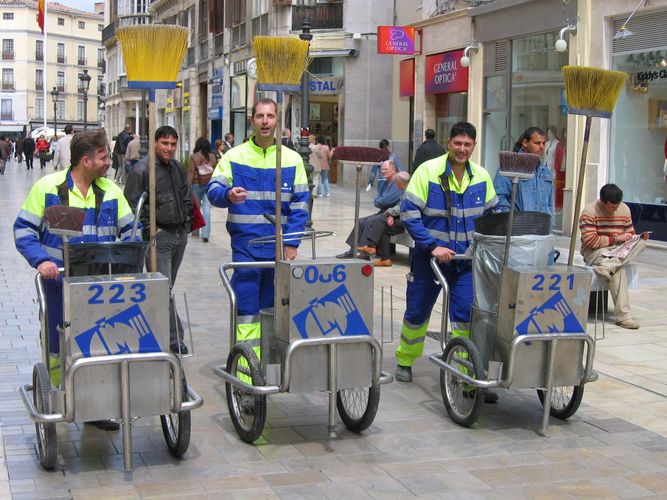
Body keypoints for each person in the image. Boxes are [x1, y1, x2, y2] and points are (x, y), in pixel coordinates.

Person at [13, 129, 140, 431]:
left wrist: (133, 249)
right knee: (58, 344)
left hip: (100, 286)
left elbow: (130, 232)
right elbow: (23, 231)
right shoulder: (49, 188)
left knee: (99, 344)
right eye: (104, 156)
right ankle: (57, 399)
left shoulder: (111, 191)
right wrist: (42, 261)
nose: (109, 161)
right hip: (59, 284)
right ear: (86, 160)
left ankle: (96, 406)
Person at [395, 122, 498, 391]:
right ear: (448, 142)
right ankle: (405, 360)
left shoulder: (482, 177)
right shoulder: (428, 172)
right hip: (429, 259)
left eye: (467, 145)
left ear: (474, 146)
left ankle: (464, 371)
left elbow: (491, 217)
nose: (462, 149)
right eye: (457, 143)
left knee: (465, 316)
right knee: (418, 310)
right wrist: (431, 246)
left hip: (465, 262)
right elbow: (409, 213)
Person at [207, 98, 309, 362]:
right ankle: (247, 370)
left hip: (278, 251)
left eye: (271, 116)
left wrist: (292, 243)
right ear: (252, 120)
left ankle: (270, 364)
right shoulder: (234, 156)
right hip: (246, 250)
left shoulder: (292, 159)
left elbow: (300, 205)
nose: (265, 121)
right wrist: (228, 194)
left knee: (273, 309)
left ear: (277, 121)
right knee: (247, 310)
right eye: (260, 116)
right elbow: (213, 191)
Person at [124, 126, 193, 354]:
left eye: (173, 144)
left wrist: (185, 227)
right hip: (159, 236)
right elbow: (133, 205)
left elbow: (185, 196)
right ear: (155, 142)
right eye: (165, 143)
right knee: (163, 288)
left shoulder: (176, 167)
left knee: (166, 286)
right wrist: (151, 233)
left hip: (178, 234)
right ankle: (174, 338)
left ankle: (157, 330)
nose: (169, 148)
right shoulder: (142, 170)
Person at [580, 183, 647, 330]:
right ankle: (624, 317)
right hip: (595, 252)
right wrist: (616, 238)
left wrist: (628, 239)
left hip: (617, 250)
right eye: (612, 207)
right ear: (603, 201)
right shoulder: (589, 212)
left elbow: (630, 233)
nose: (616, 209)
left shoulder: (624, 208)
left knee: (641, 242)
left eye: (617, 205)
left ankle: (608, 266)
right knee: (618, 270)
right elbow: (591, 241)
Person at [336, 168, 410, 267]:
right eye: (382, 169)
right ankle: (353, 250)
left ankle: (369, 248)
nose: (383, 171)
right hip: (393, 214)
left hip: (403, 218)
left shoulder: (407, 191)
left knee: (377, 220)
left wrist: (389, 213)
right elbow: (384, 201)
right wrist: (389, 213)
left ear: (400, 182)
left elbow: (389, 203)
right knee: (362, 221)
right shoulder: (387, 184)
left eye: (386, 169)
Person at [493, 127, 552, 216]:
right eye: (537, 143)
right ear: (525, 143)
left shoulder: (545, 172)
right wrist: (512, 222)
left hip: (541, 227)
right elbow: (499, 197)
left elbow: (549, 205)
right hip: (518, 226)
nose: (541, 147)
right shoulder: (510, 166)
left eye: (543, 143)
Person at [187, 137, 216, 243]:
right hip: (208, 184)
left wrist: (188, 186)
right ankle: (205, 234)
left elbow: (190, 172)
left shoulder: (194, 157)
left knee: (196, 208)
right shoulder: (212, 156)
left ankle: (195, 231)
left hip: (196, 184)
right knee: (207, 209)